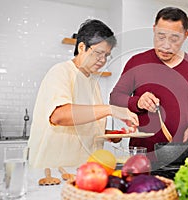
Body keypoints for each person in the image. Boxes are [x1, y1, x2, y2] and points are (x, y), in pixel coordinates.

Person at [28, 19, 139, 168]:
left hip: (84, 170)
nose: (103, 60)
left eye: (107, 55)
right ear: (81, 47)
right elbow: (59, 116)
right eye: (99, 53)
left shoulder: (93, 82)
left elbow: (82, 125)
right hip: (54, 170)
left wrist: (109, 134)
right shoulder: (61, 72)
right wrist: (111, 110)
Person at [110, 7, 188, 161]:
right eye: (161, 36)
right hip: (144, 154)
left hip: (183, 153)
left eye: (174, 39)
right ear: (154, 30)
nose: (166, 46)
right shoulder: (137, 62)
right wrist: (137, 102)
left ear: (185, 36)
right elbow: (115, 97)